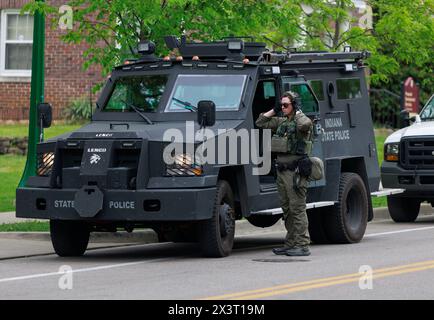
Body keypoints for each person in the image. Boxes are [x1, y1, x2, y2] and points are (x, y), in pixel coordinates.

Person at [255, 91, 313, 256]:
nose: (283, 107)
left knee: (297, 208)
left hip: (295, 172)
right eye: (281, 105)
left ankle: (302, 245)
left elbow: (306, 125)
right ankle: (291, 243)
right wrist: (274, 110)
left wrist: (298, 111)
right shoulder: (281, 121)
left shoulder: (300, 121)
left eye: (286, 105)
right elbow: (260, 122)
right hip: (282, 171)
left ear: (294, 105)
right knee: (287, 209)